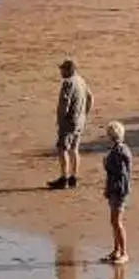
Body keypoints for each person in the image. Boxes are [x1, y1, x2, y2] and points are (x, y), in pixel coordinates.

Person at [53, 58, 91, 189]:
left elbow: (65, 103)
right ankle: (74, 177)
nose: (60, 72)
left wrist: (61, 120)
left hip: (69, 121)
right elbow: (90, 98)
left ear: (68, 70)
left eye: (62, 69)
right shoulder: (81, 80)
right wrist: (85, 114)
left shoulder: (68, 83)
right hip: (80, 120)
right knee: (74, 149)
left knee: (62, 148)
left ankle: (64, 178)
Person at [102, 119, 133, 265]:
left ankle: (124, 252)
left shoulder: (119, 151)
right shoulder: (121, 149)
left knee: (117, 222)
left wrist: (106, 165)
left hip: (119, 191)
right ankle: (116, 250)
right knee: (114, 222)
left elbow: (120, 173)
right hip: (116, 189)